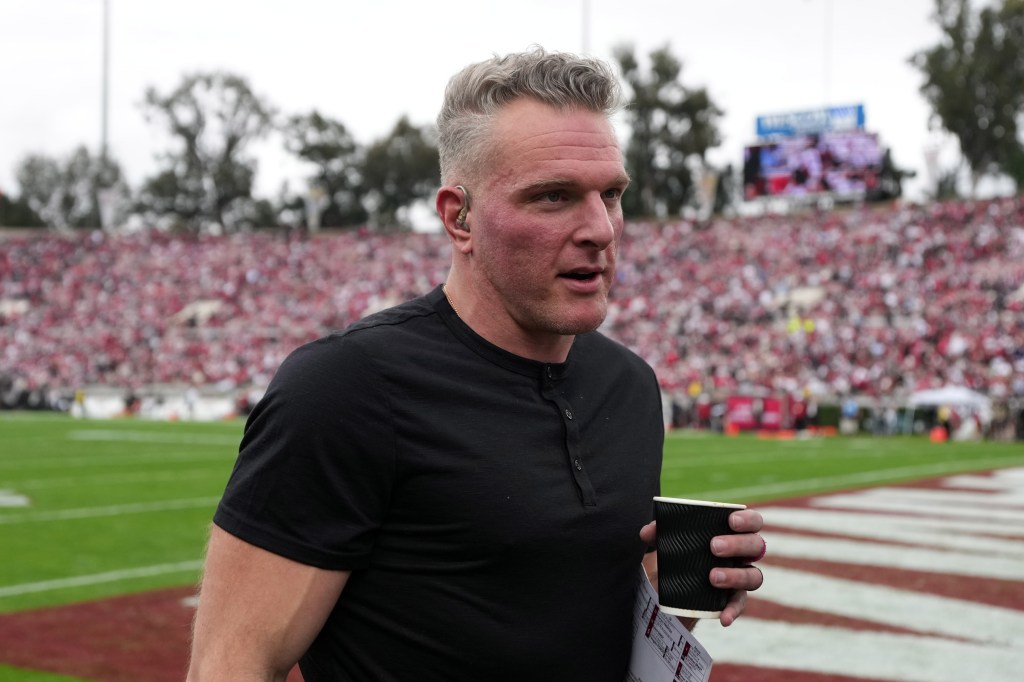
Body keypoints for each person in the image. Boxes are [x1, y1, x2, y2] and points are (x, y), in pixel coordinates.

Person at [186, 47, 765, 682]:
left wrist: (672, 594)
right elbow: (232, 664)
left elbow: (551, 620)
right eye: (553, 197)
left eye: (612, 194)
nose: (601, 228)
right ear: (458, 217)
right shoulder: (347, 388)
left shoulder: (629, 385)